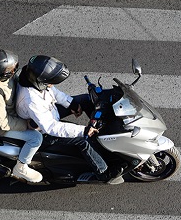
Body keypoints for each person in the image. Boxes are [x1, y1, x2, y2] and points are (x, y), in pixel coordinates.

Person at [15, 55, 125, 184]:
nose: (52, 84)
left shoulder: (35, 80)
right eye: (50, 82)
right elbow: (51, 127)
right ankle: (103, 173)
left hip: (48, 111)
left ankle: (102, 133)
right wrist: (84, 131)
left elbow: (54, 92)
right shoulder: (31, 99)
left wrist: (71, 104)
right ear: (40, 81)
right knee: (83, 140)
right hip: (44, 131)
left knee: (85, 100)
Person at [0, 50, 44, 183]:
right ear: (2, 74)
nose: (14, 70)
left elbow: (16, 82)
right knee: (36, 138)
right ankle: (21, 167)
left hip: (11, 110)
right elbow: (2, 123)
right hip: (0, 126)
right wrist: (26, 124)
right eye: (11, 69)